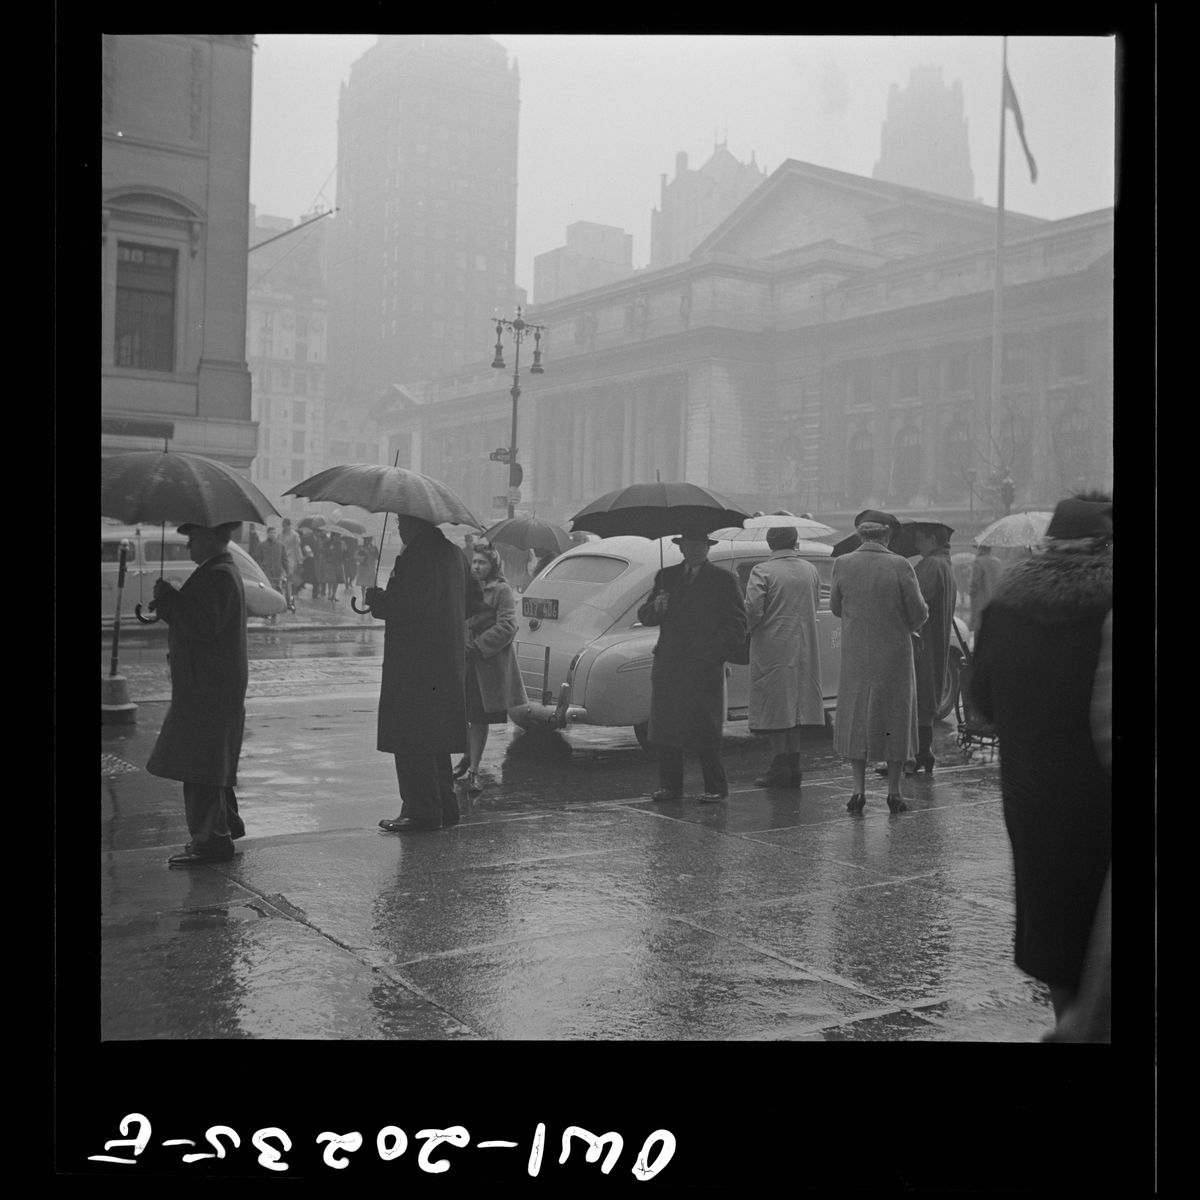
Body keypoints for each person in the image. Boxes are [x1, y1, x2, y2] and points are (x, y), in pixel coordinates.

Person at [968, 494, 1112, 1033]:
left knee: (1051, 914)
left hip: (1031, 793)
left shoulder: (1007, 607)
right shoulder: (1109, 604)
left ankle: (1068, 1019)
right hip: (1100, 792)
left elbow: (982, 702)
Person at [364, 515, 481, 832]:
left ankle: (421, 811)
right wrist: (447, 617)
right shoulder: (454, 554)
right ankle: (445, 807)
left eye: (402, 521)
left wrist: (378, 601)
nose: (399, 527)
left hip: (414, 664)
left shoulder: (415, 558)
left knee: (411, 737)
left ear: (415, 524)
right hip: (446, 660)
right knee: (435, 737)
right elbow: (475, 600)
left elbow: (403, 607)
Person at [146, 521, 249, 865]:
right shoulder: (217, 571)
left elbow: (202, 625)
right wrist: (172, 600)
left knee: (199, 761)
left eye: (192, 537)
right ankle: (222, 828)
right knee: (209, 759)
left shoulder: (218, 575)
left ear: (209, 537)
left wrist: (169, 600)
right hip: (207, 683)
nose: (188, 544)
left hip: (208, 686)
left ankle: (211, 841)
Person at [636, 527, 747, 803]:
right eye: (689, 544)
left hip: (703, 666)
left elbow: (737, 625)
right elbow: (646, 616)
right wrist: (656, 608)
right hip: (670, 663)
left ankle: (715, 787)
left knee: (705, 727)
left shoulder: (723, 580)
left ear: (707, 548)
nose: (694, 550)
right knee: (666, 726)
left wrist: (711, 654)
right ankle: (670, 786)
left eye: (700, 545)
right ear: (681, 547)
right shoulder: (666, 576)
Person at [830, 517, 929, 814]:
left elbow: (836, 607)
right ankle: (894, 792)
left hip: (856, 655)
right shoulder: (900, 565)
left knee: (857, 716)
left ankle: (858, 790)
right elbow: (918, 612)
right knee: (894, 717)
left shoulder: (843, 564)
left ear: (861, 537)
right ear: (887, 538)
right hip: (894, 654)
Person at [744, 525, 824, 788]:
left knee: (776, 705)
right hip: (804, 644)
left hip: (773, 645)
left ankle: (779, 764)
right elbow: (815, 603)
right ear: (795, 541)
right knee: (797, 705)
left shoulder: (763, 571)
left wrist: (747, 630)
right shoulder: (810, 570)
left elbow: (753, 610)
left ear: (770, 544)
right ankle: (794, 764)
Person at [454, 544, 527, 795]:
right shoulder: (467, 587)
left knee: (478, 717)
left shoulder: (501, 590)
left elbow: (508, 626)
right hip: (464, 660)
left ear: (493, 565)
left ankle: (474, 770)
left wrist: (477, 645)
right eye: (474, 562)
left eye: (482, 562)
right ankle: (466, 758)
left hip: (486, 663)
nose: (476, 566)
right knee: (463, 714)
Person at [906, 521, 957, 774]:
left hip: (923, 640)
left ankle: (918, 753)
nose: (916, 544)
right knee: (927, 693)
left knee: (920, 694)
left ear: (932, 539)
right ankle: (923, 753)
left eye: (919, 538)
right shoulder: (945, 564)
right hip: (935, 638)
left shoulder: (931, 565)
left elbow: (914, 600)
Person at [969, 544, 1004, 632]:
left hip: (981, 599)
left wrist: (971, 592)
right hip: (995, 599)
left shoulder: (978, 562)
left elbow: (975, 582)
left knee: (979, 625)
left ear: (981, 549)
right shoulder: (998, 562)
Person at [258, 526, 286, 623]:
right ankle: (266, 612)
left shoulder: (281, 546)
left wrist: (287, 571)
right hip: (266, 574)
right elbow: (258, 558)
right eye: (271, 533)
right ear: (268, 534)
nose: (273, 534)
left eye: (274, 532)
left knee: (276, 593)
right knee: (267, 592)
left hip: (277, 574)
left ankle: (274, 612)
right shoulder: (262, 545)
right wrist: (262, 567)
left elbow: (284, 559)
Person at [279, 518, 303, 611]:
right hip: (281, 560)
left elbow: (297, 548)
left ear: (289, 526)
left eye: (286, 526)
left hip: (291, 560)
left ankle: (289, 599)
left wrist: (299, 561)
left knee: (288, 580)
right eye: (283, 526)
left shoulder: (294, 535)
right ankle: (282, 598)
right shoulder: (280, 535)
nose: (284, 527)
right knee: (281, 580)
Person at [355, 534, 380, 603]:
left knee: (371, 584)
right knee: (363, 584)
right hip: (364, 568)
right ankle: (363, 597)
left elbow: (377, 557)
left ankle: (370, 597)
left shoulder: (374, 548)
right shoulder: (361, 548)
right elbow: (357, 557)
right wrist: (362, 557)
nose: (368, 541)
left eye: (369, 539)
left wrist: (377, 553)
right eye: (367, 540)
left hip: (371, 567)